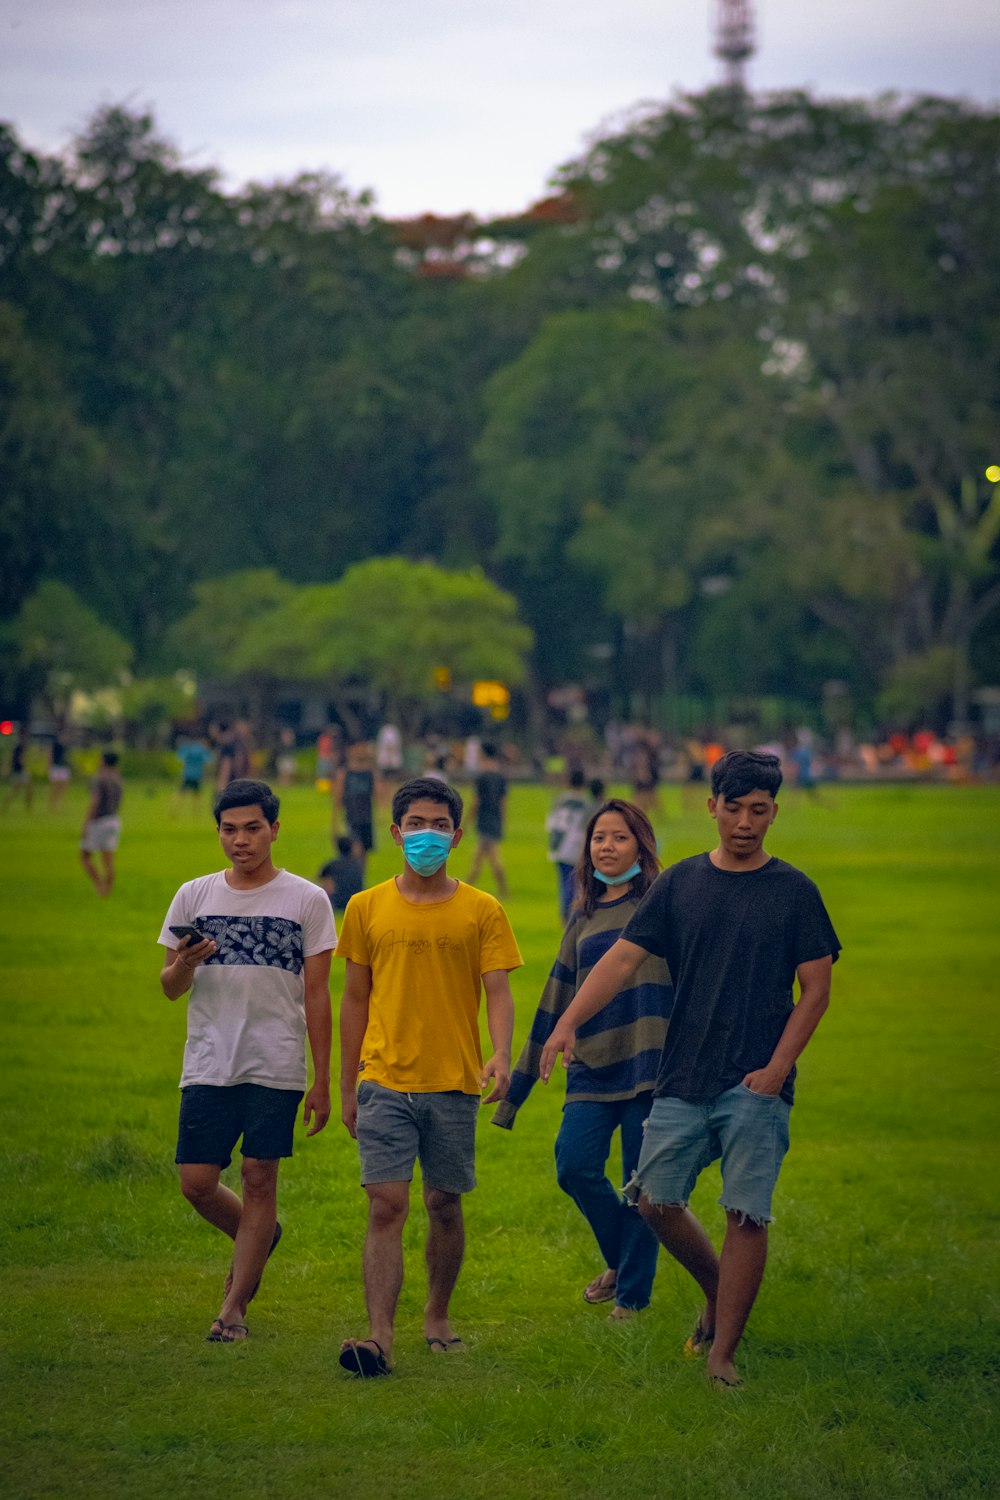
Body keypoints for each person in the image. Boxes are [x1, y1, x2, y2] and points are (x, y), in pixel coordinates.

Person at [540, 750, 840, 1389]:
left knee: (746, 1213)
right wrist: (567, 1021)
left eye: (759, 811)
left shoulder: (794, 892)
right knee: (654, 1201)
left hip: (757, 1081)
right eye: (733, 809)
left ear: (773, 813)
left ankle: (722, 1354)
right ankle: (715, 1287)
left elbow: (815, 988)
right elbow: (620, 962)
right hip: (683, 1074)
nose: (745, 823)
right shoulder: (680, 884)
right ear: (712, 808)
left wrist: (777, 1067)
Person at [335, 776, 522, 1378]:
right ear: (395, 833)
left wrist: (500, 1054)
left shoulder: (481, 909)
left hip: (453, 1081)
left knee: (444, 1203)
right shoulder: (365, 907)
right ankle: (379, 1337)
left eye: (439, 825)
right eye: (416, 824)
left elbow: (498, 990)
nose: (427, 835)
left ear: (457, 835)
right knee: (386, 1206)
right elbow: (354, 1002)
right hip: (383, 1078)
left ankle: (437, 1315)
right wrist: (346, 1084)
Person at [158, 778, 335, 1343]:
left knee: (260, 1178)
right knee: (197, 1183)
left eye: (253, 828)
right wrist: (185, 963)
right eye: (230, 830)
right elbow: (168, 986)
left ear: (274, 830)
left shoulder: (307, 900)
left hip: (276, 1061)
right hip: (209, 1059)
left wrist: (324, 1078)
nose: (241, 840)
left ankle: (233, 1309)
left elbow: (319, 994)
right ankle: (260, 1236)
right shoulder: (194, 895)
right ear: (218, 832)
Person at [494, 800, 673, 1320]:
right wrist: (516, 1091)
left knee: (642, 1186)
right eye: (599, 838)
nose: (607, 847)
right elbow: (555, 999)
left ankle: (632, 1300)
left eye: (619, 837)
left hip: (650, 1066)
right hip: (593, 1067)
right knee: (574, 1165)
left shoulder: (660, 906)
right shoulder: (585, 916)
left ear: (641, 844)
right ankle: (623, 1261)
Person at [545, 769, 593, 922]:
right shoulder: (585, 803)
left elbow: (551, 823)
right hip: (574, 847)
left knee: (564, 880)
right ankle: (569, 914)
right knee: (573, 881)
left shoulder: (560, 801)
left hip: (558, 845)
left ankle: (566, 914)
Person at [465, 741, 508, 899]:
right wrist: (503, 821)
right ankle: (466, 887)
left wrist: (467, 821)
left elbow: (476, 801)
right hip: (495, 819)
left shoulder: (481, 776)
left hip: (484, 819)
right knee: (480, 857)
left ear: (483, 754)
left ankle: (503, 891)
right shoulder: (500, 776)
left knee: (491, 859)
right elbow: (504, 802)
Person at [80, 750, 123, 896]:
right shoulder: (118, 779)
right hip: (114, 820)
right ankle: (107, 890)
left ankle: (99, 886)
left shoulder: (100, 779)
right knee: (108, 859)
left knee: (85, 856)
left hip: (99, 821)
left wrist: (86, 823)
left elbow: (95, 801)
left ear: (103, 761)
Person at [333, 741, 376, 865]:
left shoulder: (370, 773)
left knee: (365, 851)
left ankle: (360, 878)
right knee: (355, 848)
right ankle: (354, 873)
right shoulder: (345, 773)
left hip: (367, 818)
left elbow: (379, 795)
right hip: (352, 818)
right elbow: (338, 799)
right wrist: (335, 823)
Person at [318, 836, 365, 913]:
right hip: (356, 901)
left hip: (338, 903)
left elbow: (321, 878)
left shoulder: (332, 865)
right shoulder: (357, 865)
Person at [216, 720, 252, 791]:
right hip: (232, 781)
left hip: (235, 781)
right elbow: (227, 764)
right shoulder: (232, 744)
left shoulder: (235, 744)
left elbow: (227, 764)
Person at [3, 727, 33, 811]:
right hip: (20, 771)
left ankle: (28, 808)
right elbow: (21, 758)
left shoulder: (16, 746)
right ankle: (6, 804)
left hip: (18, 770)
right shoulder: (20, 746)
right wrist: (26, 765)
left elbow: (10, 757)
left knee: (26, 789)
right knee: (17, 790)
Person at [47, 728, 71, 809]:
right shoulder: (55, 744)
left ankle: (60, 802)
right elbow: (50, 754)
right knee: (55, 786)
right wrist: (49, 764)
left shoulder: (65, 745)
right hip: (56, 766)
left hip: (63, 766)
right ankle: (52, 803)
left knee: (63, 785)